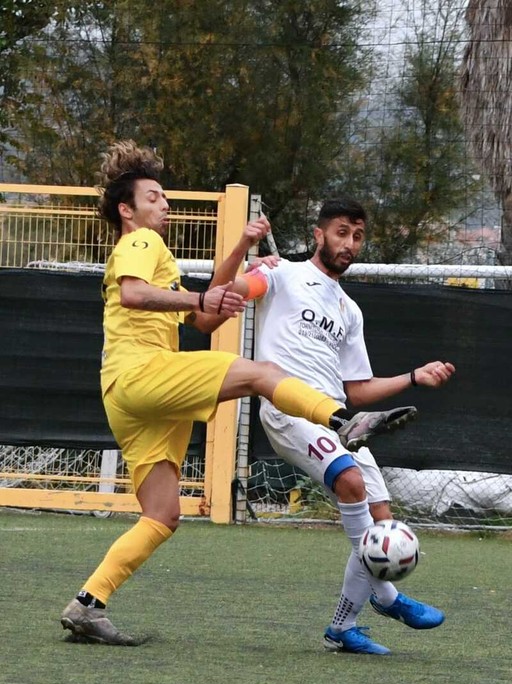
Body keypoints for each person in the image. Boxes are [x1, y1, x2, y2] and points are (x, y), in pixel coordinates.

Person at [60, 143, 416, 645]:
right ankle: (341, 421)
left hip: (127, 396)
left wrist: (236, 254)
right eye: (153, 197)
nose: (164, 204)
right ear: (127, 210)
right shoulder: (142, 241)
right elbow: (133, 295)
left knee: (162, 515)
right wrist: (202, 295)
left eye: (164, 197)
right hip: (141, 373)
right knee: (261, 372)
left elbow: (205, 319)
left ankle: (88, 603)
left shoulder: (155, 257)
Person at [229, 196, 455, 655]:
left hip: (338, 419)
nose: (349, 243)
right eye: (341, 233)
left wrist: (414, 376)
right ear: (319, 234)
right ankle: (388, 598)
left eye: (357, 236)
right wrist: (245, 256)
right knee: (351, 482)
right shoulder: (282, 273)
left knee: (380, 518)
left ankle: (342, 627)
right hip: (289, 409)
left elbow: (358, 390)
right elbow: (233, 291)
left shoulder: (350, 310)